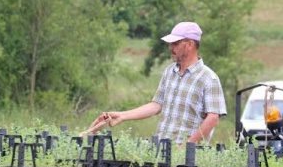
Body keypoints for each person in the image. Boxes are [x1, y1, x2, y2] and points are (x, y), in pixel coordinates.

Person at [91, 21, 227, 143]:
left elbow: (213, 119)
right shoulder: (170, 71)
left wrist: (187, 147)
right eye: (170, 43)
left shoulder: (209, 78)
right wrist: (122, 115)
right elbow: (156, 105)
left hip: (189, 160)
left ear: (190, 45)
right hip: (162, 150)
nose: (170, 47)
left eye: (175, 43)